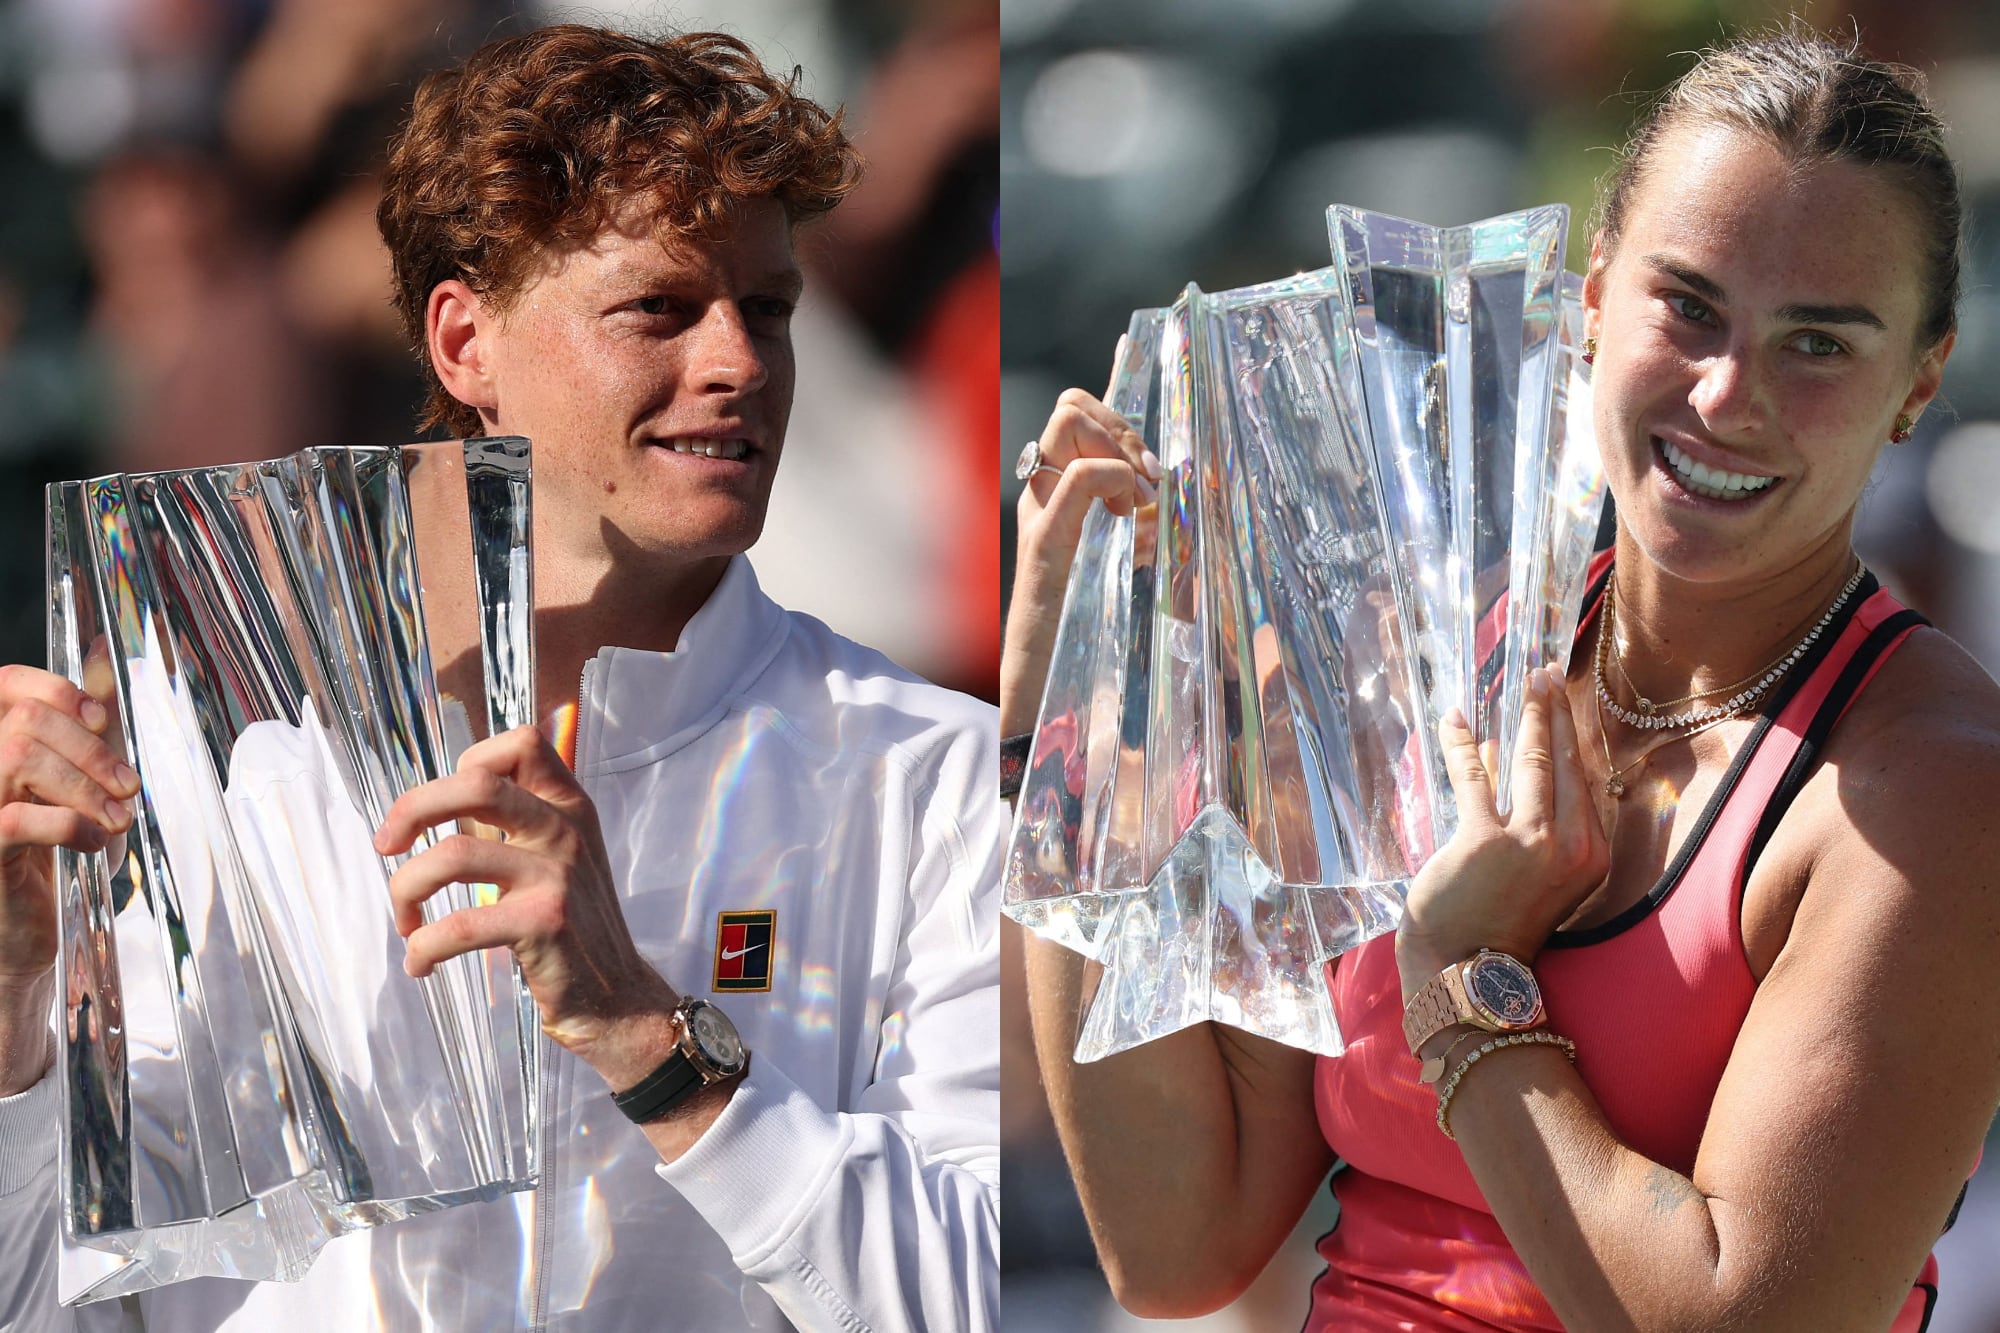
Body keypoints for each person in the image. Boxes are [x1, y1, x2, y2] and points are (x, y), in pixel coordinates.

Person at [0, 25, 999, 1333]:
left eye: (765, 307)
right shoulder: (241, 767)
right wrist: (16, 1020)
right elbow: (63, 1310)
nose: (740, 362)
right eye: (662, 306)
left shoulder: (932, 770)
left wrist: (648, 1036)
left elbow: (973, 1298)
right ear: (466, 341)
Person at [1008, 27, 2000, 1332]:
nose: (1725, 392)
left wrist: (1461, 976)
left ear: (1920, 379)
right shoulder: (1432, 652)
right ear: (1590, 298)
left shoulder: (1933, 791)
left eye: (1819, 344)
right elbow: (1175, 1233)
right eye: (1687, 305)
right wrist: (1077, 709)